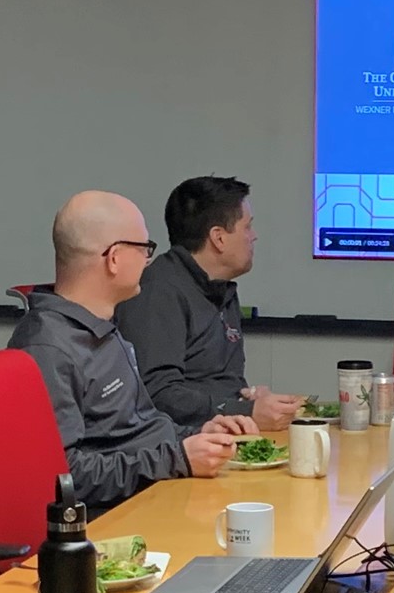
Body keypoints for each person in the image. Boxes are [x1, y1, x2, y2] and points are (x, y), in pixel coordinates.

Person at [10, 191, 241, 510]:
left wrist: (196, 434)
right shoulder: (48, 347)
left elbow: (140, 429)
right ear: (114, 258)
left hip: (151, 495)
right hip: (113, 522)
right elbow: (64, 478)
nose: (149, 260)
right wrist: (177, 459)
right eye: (144, 248)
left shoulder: (103, 326)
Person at [114, 175, 304, 431]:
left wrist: (246, 397)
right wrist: (244, 411)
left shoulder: (222, 288)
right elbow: (158, 394)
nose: (254, 236)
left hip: (220, 438)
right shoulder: (157, 291)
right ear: (219, 238)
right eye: (247, 227)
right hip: (183, 448)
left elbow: (214, 383)